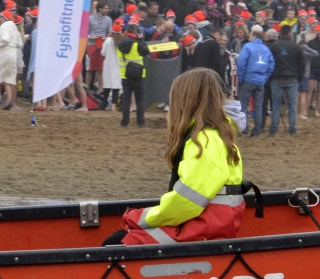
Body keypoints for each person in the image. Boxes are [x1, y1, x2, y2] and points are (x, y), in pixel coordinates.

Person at [103, 69, 245, 246]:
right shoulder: (215, 134)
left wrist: (140, 218)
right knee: (119, 238)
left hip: (206, 225)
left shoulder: (204, 141)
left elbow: (187, 201)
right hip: (214, 221)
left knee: (117, 243)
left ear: (185, 102)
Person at [236, 25, 274, 136]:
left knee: (243, 105)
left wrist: (241, 78)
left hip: (248, 79)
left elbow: (241, 63)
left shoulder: (247, 47)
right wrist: (264, 77)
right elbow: (271, 65)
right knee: (258, 105)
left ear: (254, 36)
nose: (249, 37)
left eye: (250, 35)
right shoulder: (266, 49)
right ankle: (257, 130)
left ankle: (244, 130)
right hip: (260, 80)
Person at [267, 28, 304, 136]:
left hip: (277, 78)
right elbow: (301, 64)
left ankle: (273, 128)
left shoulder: (274, 46)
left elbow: (269, 62)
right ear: (289, 33)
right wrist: (299, 78)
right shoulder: (296, 46)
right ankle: (292, 129)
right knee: (292, 106)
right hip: (292, 78)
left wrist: (271, 77)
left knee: (276, 105)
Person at [0, 9, 23, 110]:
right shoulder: (14, 27)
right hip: (13, 53)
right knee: (8, 78)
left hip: (5, 52)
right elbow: (20, 43)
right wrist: (12, 44)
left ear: (5, 17)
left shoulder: (3, 26)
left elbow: (5, 39)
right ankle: (9, 101)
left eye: (0, 17)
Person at [116, 22, 150, 127]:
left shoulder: (119, 46)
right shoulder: (138, 44)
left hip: (125, 75)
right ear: (136, 33)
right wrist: (141, 39)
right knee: (139, 100)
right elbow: (146, 51)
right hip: (139, 76)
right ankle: (141, 122)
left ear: (126, 32)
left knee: (126, 99)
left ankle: (124, 122)